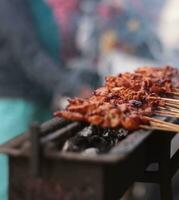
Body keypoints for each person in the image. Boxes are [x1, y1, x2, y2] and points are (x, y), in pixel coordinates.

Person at [0, 0, 95, 199]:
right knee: (11, 179)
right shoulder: (10, 4)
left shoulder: (37, 4)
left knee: (39, 180)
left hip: (41, 99)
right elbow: (29, 54)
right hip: (16, 104)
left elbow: (48, 51)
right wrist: (74, 87)